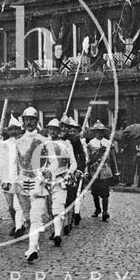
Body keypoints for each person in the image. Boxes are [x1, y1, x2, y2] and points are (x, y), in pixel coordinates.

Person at [14, 106, 50, 262]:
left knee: (36, 217)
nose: (29, 122)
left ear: (37, 121)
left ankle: (31, 248)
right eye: (26, 119)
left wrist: (47, 172)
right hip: (22, 183)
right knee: (28, 218)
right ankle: (34, 244)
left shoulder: (44, 140)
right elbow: (15, 163)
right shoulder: (18, 141)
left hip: (38, 183)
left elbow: (52, 161)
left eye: (32, 120)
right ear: (23, 122)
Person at [0, 114, 28, 237]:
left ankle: (19, 227)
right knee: (11, 205)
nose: (13, 131)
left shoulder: (25, 144)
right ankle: (17, 224)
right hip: (6, 179)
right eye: (11, 129)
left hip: (20, 179)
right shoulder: (1, 145)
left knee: (19, 205)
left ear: (20, 130)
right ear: (8, 130)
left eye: (16, 129)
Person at [44, 118, 77, 247]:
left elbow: (73, 162)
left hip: (60, 179)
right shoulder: (44, 143)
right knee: (49, 209)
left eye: (55, 129)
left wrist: (69, 172)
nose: (52, 131)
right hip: (46, 181)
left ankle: (58, 234)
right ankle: (54, 230)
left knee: (58, 206)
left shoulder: (66, 144)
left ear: (60, 131)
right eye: (50, 129)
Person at [60, 116, 86, 232]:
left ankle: (68, 221)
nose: (64, 129)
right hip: (58, 171)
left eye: (66, 127)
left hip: (72, 170)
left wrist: (79, 170)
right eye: (62, 127)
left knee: (70, 196)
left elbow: (82, 156)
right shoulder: (55, 139)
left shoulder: (75, 140)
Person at [87, 121, 117, 222]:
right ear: (94, 132)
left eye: (101, 131)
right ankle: (97, 209)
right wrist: (87, 171)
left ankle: (105, 211)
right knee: (95, 192)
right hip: (94, 170)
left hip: (105, 170)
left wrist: (115, 171)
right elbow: (88, 158)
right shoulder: (91, 143)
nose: (99, 133)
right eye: (97, 131)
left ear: (103, 132)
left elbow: (113, 159)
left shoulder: (108, 143)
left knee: (105, 192)